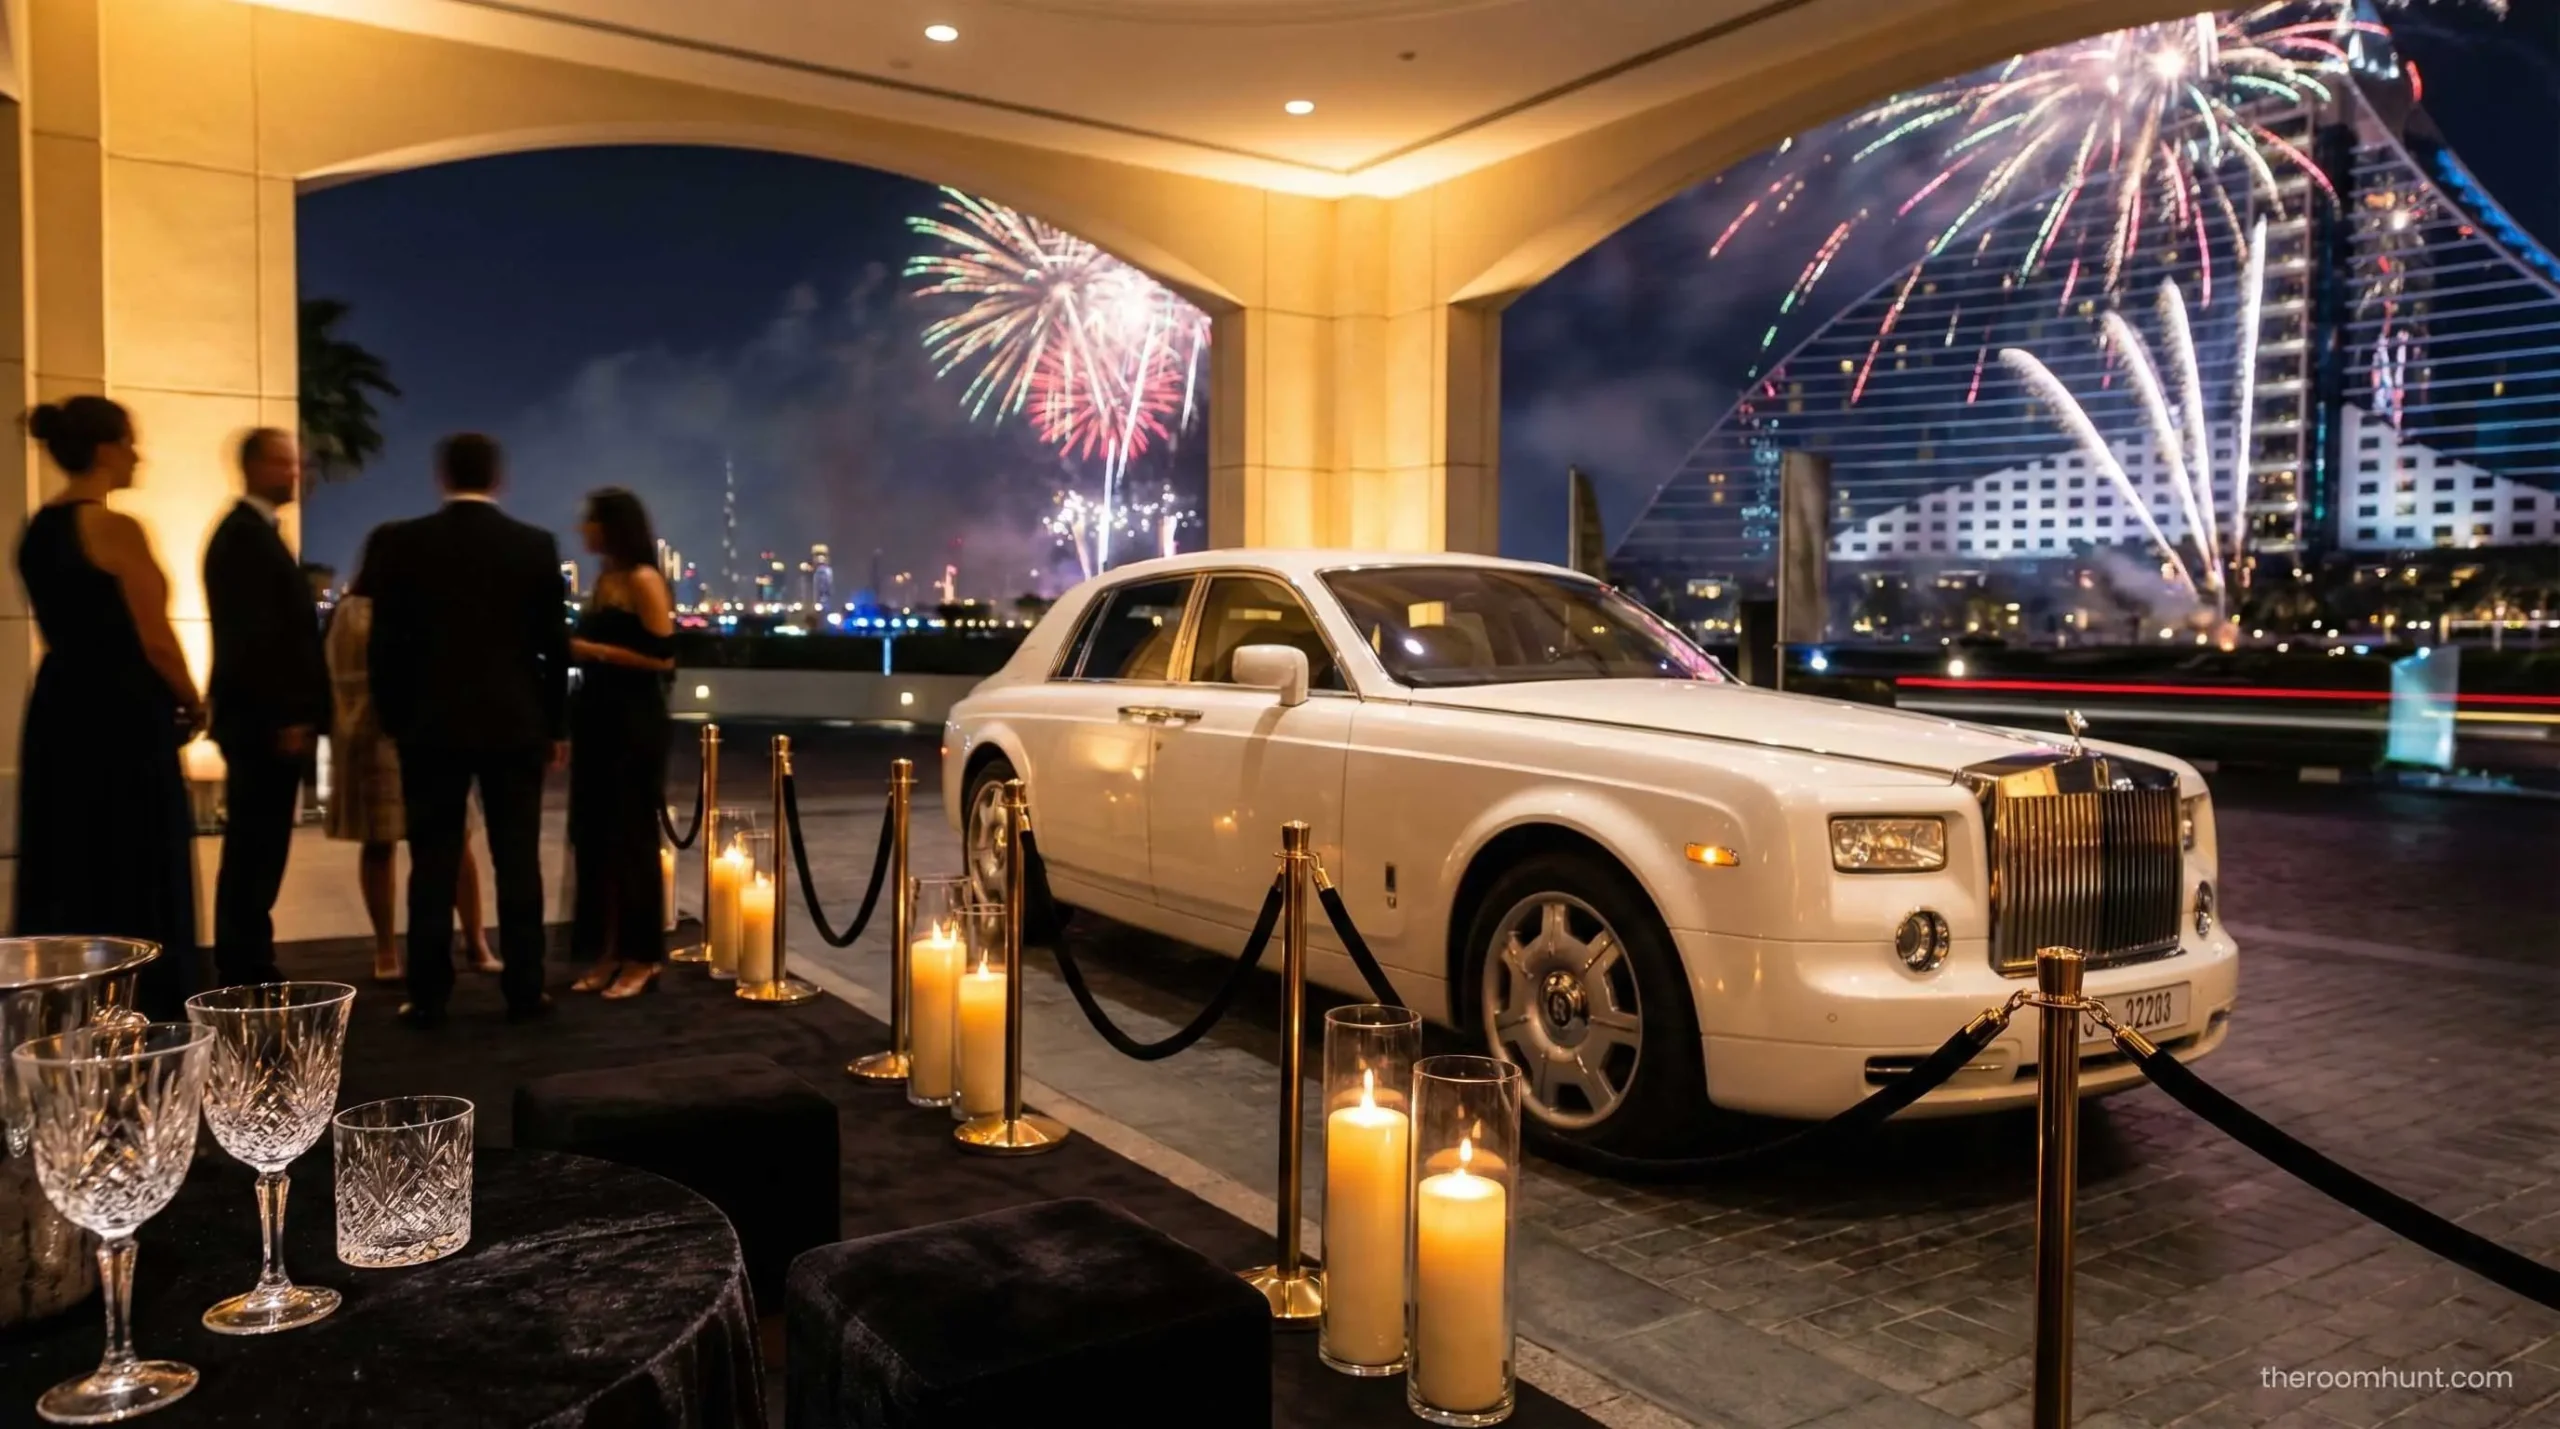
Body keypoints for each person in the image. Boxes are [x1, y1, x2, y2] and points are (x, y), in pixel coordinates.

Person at [363, 433, 567, 1027]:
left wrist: (394, 715)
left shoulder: (405, 543)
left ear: (441, 475)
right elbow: (552, 650)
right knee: (517, 860)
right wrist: (556, 725)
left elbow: (385, 646)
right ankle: (526, 988)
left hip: (429, 728)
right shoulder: (533, 546)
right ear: (497, 477)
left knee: (432, 862)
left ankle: (428, 994)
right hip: (514, 724)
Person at [14, 398, 203, 1018]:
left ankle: (58, 1003)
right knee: (133, 856)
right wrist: (192, 698)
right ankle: (140, 1001)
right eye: (129, 441)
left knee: (68, 853)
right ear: (104, 450)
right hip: (121, 714)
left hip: (61, 705)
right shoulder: (115, 528)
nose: (136, 454)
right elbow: (154, 636)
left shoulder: (38, 529)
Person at [323, 559, 503, 984]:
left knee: (418, 842)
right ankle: (451, 943)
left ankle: (428, 945)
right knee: (414, 841)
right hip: (390, 734)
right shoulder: (364, 612)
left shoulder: (356, 611)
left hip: (407, 734)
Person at [203, 428, 330, 987]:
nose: (295, 473)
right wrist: (289, 716)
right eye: (284, 463)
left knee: (257, 844)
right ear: (254, 466)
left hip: (257, 718)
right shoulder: (245, 538)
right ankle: (247, 963)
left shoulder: (250, 534)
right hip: (263, 723)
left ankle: (248, 955)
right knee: (257, 843)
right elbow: (258, 640)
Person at [565, 489, 676, 1001]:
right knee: (595, 839)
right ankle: (605, 952)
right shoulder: (604, 580)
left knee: (631, 839)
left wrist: (593, 650)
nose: (581, 528)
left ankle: (642, 956)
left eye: (589, 521)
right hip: (596, 719)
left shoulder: (643, 580)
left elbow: (663, 659)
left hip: (633, 723)